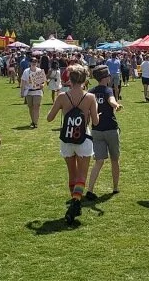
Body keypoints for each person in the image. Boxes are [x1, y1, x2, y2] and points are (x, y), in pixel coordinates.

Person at [47, 64, 100, 225]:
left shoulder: (62, 96)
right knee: (82, 175)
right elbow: (95, 122)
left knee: (72, 174)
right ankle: (75, 203)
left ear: (69, 79)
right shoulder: (90, 97)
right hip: (84, 137)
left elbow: (49, 118)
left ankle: (74, 203)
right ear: (85, 80)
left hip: (67, 138)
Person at [86, 65, 123, 200]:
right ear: (105, 77)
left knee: (99, 161)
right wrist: (116, 105)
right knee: (115, 159)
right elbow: (111, 100)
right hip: (111, 129)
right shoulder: (108, 90)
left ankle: (90, 190)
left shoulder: (90, 92)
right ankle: (115, 187)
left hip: (96, 131)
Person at [20, 56, 46, 128]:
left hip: (38, 91)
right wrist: (22, 92)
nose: (34, 63)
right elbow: (23, 82)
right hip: (29, 91)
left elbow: (44, 81)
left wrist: (43, 85)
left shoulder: (39, 70)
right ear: (29, 63)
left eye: (35, 61)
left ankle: (35, 123)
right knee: (30, 107)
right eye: (32, 61)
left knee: (36, 106)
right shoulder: (26, 71)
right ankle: (33, 121)